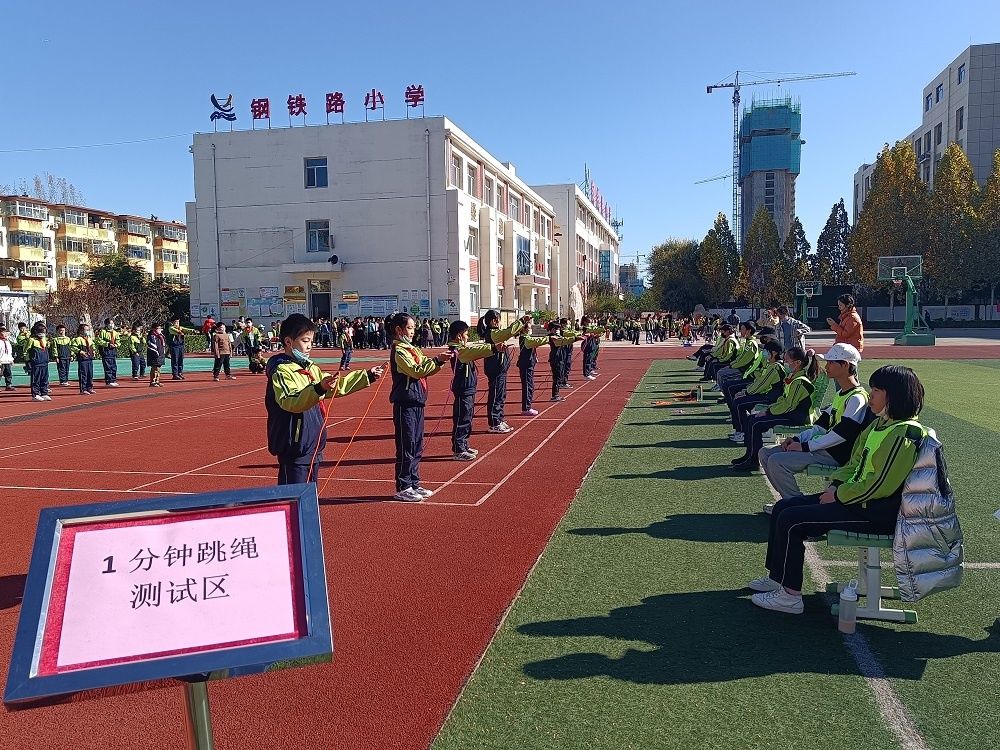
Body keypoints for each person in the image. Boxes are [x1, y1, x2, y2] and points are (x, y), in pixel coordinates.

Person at [748, 365, 927, 614]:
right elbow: (853, 464)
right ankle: (777, 578)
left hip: (876, 513)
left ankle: (790, 596)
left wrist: (839, 496)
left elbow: (880, 485)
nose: (871, 395)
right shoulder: (878, 426)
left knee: (793, 520)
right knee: (783, 507)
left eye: (876, 390)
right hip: (856, 501)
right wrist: (834, 486)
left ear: (894, 396)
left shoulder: (904, 434)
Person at [266, 313, 384, 486]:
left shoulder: (310, 367)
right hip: (295, 446)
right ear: (288, 342)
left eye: (311, 341)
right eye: (305, 341)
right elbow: (291, 401)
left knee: (309, 496)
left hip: (312, 444)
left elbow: (336, 385)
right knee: (293, 497)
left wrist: (367, 376)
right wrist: (318, 388)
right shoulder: (282, 371)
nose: (309, 346)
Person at [759, 343, 874, 503]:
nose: (827, 366)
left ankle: (794, 504)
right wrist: (798, 439)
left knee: (776, 461)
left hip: (835, 455)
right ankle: (790, 502)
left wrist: (805, 446)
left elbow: (840, 435)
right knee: (765, 453)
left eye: (831, 362)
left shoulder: (857, 398)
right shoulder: (841, 393)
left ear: (846, 365)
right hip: (823, 449)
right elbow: (819, 427)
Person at [388, 312, 454, 501]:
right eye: (409, 328)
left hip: (417, 401)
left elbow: (425, 364)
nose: (412, 332)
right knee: (406, 444)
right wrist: (437, 361)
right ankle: (403, 486)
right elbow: (416, 371)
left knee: (417, 444)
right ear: (398, 330)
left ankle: (413, 482)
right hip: (405, 402)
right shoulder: (400, 351)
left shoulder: (413, 349)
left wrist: (438, 360)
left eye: (413, 328)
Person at [731, 346, 819, 471]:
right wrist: (770, 409)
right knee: (752, 419)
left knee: (756, 423)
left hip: (798, 417)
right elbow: (784, 401)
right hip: (789, 413)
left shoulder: (800, 381)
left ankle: (753, 460)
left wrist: (768, 411)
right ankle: (749, 456)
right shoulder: (793, 377)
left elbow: (789, 405)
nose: (785, 362)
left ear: (798, 363)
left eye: (788, 360)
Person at [477, 310, 532, 434]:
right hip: (495, 368)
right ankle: (494, 423)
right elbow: (508, 332)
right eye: (499, 319)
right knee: (496, 395)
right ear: (493, 321)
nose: (500, 322)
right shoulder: (492, 333)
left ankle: (499, 418)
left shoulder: (495, 333)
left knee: (501, 395)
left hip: (500, 368)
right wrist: (522, 320)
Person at [447, 320, 495, 461]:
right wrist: (493, 348)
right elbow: (475, 351)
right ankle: (458, 449)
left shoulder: (463, 348)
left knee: (467, 418)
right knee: (462, 418)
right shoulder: (458, 350)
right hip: (463, 388)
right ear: (459, 336)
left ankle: (464, 444)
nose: (468, 336)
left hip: (469, 388)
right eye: (466, 334)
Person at [516, 324, 550, 416]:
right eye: (529, 328)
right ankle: (526, 408)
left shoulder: (527, 338)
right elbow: (537, 341)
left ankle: (527, 406)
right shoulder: (525, 338)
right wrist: (549, 338)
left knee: (530, 385)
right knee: (527, 386)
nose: (530, 329)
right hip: (526, 364)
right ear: (523, 329)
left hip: (529, 363)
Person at [25, 321, 51, 402]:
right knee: (36, 379)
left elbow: (46, 348)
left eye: (43, 332)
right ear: (36, 331)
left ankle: (44, 393)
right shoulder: (31, 340)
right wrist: (28, 361)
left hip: (44, 362)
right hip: (36, 362)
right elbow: (26, 351)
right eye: (41, 332)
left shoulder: (44, 339)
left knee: (44, 378)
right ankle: (35, 394)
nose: (42, 334)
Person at [70, 323, 97, 395]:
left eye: (88, 330)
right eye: (86, 330)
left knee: (90, 374)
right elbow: (73, 347)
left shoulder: (89, 338)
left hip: (89, 359)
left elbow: (93, 345)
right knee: (83, 374)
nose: (88, 331)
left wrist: (93, 350)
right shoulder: (77, 339)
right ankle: (83, 389)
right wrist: (80, 351)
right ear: (81, 330)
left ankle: (90, 387)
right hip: (83, 360)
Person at [95, 318, 120, 387]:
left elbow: (118, 340)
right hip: (106, 351)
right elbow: (99, 341)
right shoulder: (102, 332)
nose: (111, 325)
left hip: (113, 351)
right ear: (106, 324)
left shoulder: (115, 332)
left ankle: (113, 380)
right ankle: (108, 381)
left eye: (112, 323)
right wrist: (107, 344)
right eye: (110, 323)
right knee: (108, 366)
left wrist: (116, 344)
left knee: (114, 366)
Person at [147, 323, 166, 387]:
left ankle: (157, 381)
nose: (160, 329)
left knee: (158, 368)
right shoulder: (152, 336)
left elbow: (163, 345)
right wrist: (156, 353)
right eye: (158, 328)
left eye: (160, 328)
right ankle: (153, 381)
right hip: (154, 355)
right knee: (155, 368)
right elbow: (151, 346)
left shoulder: (161, 336)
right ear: (154, 329)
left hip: (160, 354)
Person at [0, 326, 14, 391]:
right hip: (1, 360)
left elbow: (10, 351)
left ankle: (8, 385)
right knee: (0, 373)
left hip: (7, 360)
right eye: (3, 332)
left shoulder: (7, 342)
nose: (5, 334)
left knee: (8, 373)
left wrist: (11, 359)